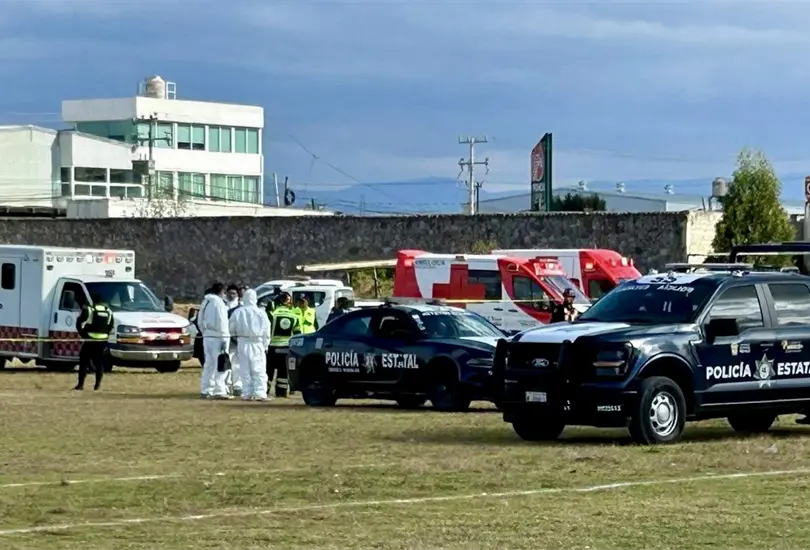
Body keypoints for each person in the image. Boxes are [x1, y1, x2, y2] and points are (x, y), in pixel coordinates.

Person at [229, 289, 270, 401]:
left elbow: (231, 329)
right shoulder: (261, 313)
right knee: (259, 369)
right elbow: (267, 331)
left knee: (244, 369)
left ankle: (247, 393)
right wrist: (266, 345)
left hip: (242, 342)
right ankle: (260, 393)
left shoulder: (238, 312)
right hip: (257, 342)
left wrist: (237, 338)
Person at [198, 282, 232, 399]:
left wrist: (205, 332)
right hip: (219, 337)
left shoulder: (205, 301)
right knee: (221, 363)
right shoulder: (219, 303)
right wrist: (224, 338)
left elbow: (200, 320)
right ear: (222, 292)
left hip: (208, 336)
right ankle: (219, 389)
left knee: (209, 364)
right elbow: (222, 321)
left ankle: (206, 388)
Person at [74, 294, 115, 391]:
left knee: (83, 362)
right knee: (99, 363)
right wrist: (105, 336)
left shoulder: (89, 309)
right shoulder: (108, 311)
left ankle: (80, 385)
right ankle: (97, 385)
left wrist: (83, 335)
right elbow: (110, 325)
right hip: (102, 341)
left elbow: (79, 323)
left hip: (90, 340)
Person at [267, 292, 301, 398]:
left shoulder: (273, 315)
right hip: (286, 348)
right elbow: (297, 334)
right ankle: (281, 393)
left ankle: (265, 390)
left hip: (272, 347)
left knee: (268, 371)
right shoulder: (294, 316)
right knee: (283, 372)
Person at [225, 283, 244, 396]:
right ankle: (226, 385)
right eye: (230, 293)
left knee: (237, 364)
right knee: (226, 363)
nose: (231, 295)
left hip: (236, 340)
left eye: (234, 293)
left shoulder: (240, 308)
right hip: (224, 338)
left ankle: (237, 385)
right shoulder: (222, 306)